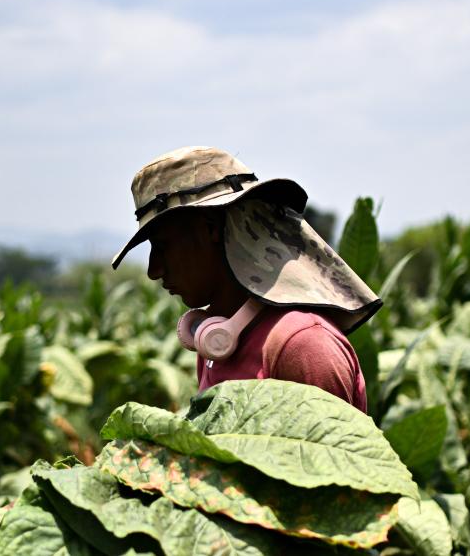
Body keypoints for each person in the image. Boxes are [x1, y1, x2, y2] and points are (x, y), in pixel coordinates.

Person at [111, 146, 381, 412]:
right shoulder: (216, 344)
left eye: (162, 245)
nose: (153, 269)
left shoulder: (302, 345)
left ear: (211, 228)